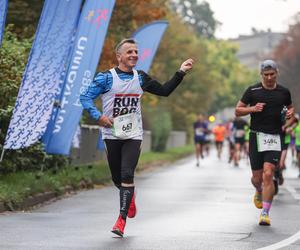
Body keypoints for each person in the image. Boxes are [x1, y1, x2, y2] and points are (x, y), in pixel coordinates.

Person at [80, 38, 193, 237]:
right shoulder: (106, 78)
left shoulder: (140, 78)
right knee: (117, 179)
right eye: (129, 52)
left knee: (126, 174)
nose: (134, 55)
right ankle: (129, 196)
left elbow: (165, 91)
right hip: (112, 133)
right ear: (119, 56)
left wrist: (181, 71)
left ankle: (121, 221)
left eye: (136, 52)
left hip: (133, 133)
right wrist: (99, 117)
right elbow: (85, 97)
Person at [235, 59, 294, 226]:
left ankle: (265, 213)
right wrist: (252, 109)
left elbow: (290, 108)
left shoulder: (284, 92)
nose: (269, 78)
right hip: (256, 137)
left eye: (272, 74)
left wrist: (289, 114)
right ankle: (258, 190)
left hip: (274, 137)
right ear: (261, 75)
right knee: (257, 177)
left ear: (277, 73)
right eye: (266, 75)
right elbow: (237, 110)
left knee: (269, 174)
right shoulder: (252, 91)